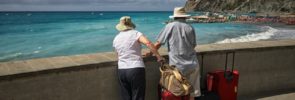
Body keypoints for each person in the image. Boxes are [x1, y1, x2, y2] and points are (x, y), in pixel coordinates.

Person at [148, 7, 201, 100]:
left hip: (177, 68)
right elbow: (193, 45)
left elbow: (158, 43)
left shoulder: (169, 26)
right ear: (185, 17)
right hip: (193, 65)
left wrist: (149, 53)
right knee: (192, 94)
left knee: (177, 94)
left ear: (174, 17)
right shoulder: (190, 27)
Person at [113, 16, 164, 100]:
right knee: (138, 96)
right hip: (135, 69)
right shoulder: (136, 33)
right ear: (130, 24)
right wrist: (159, 56)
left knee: (126, 96)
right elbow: (148, 43)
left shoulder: (116, 38)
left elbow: (119, 55)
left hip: (121, 70)